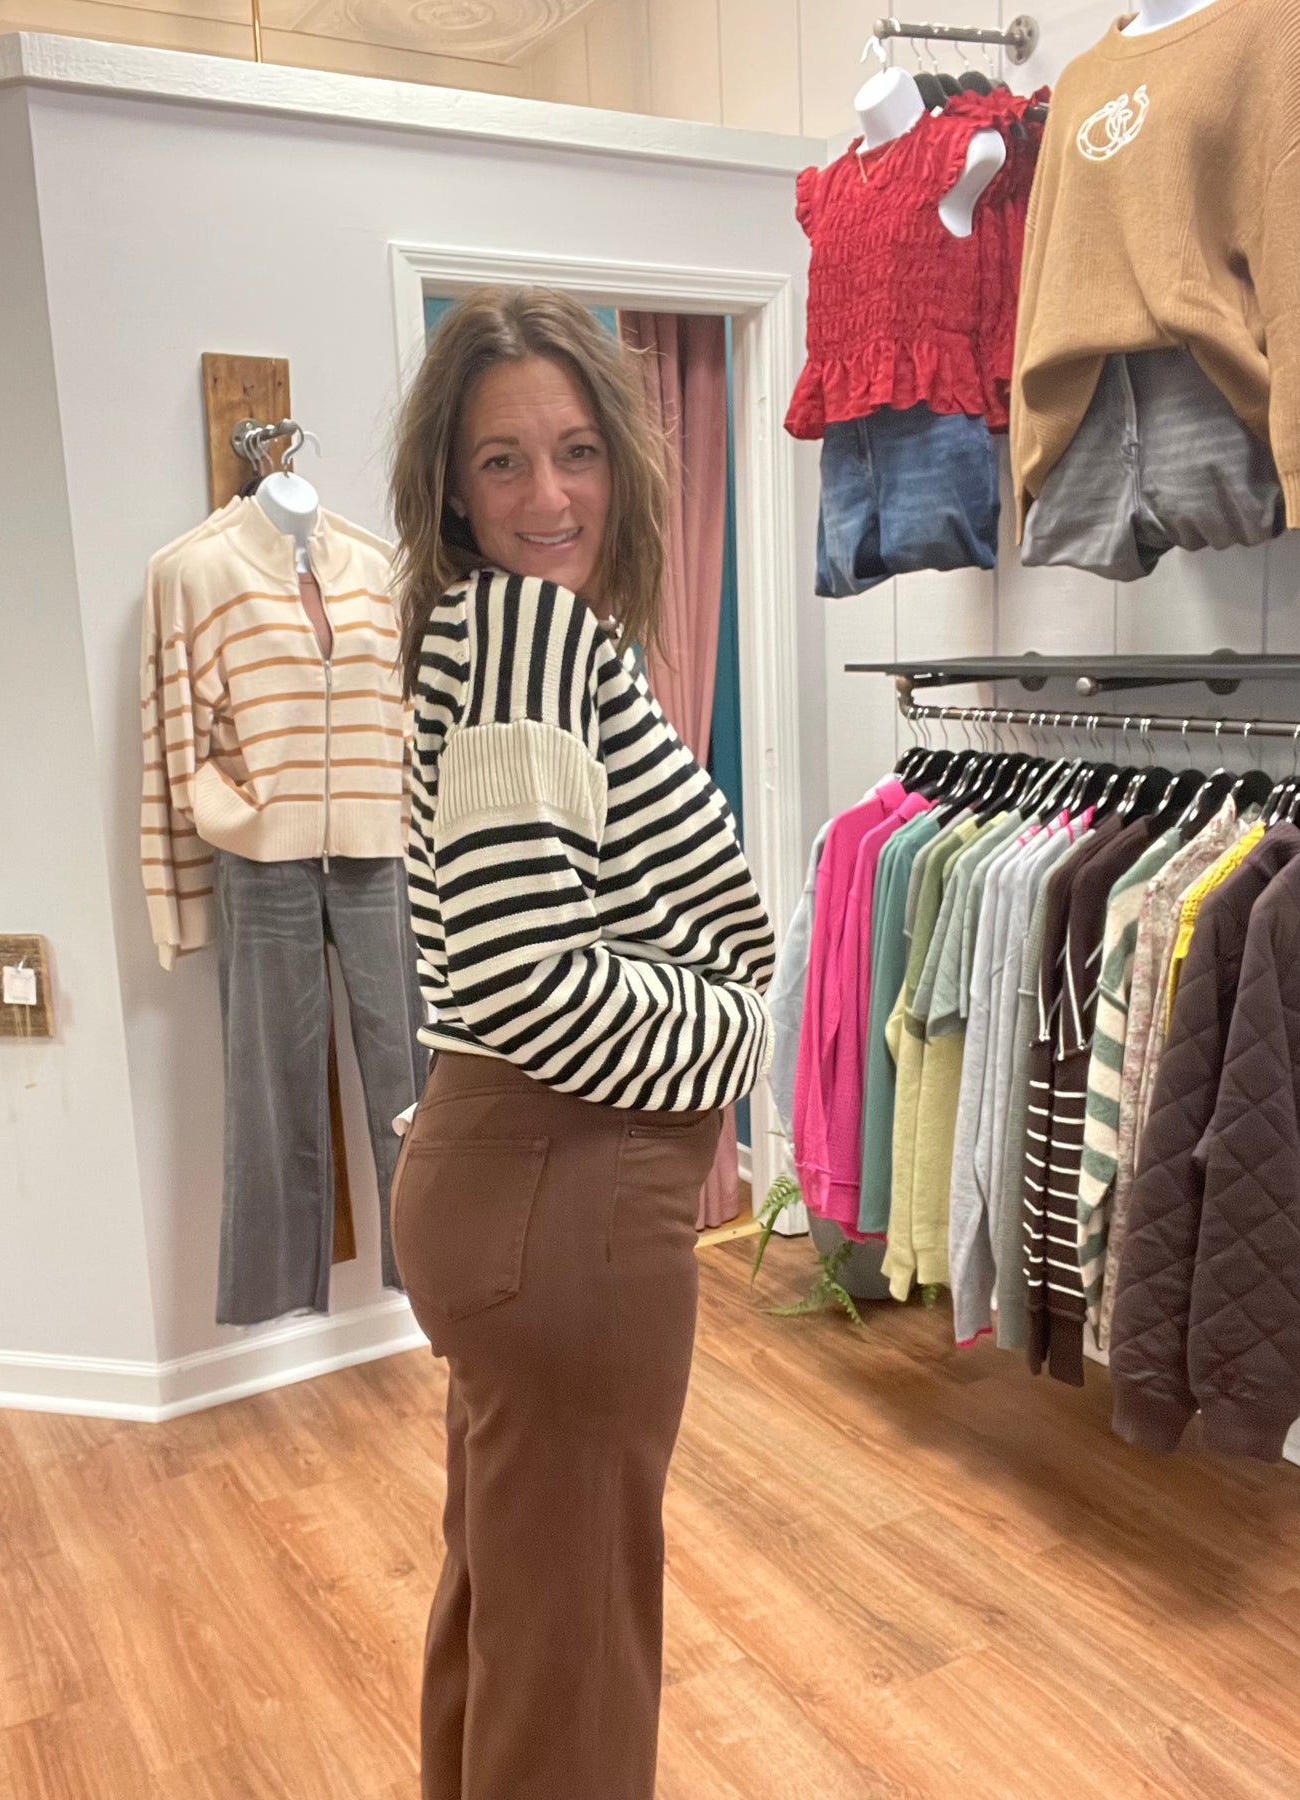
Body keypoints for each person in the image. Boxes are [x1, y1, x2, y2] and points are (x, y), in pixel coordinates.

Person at [387, 286, 776, 1800]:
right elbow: (526, 976)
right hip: (566, 1191)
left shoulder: (507, 637)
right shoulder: (526, 641)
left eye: (575, 452)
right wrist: (739, 1027)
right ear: (451, 488)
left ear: (622, 458)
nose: (548, 496)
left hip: (520, 1185)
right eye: (501, 461)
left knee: (515, 1613)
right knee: (575, 1659)